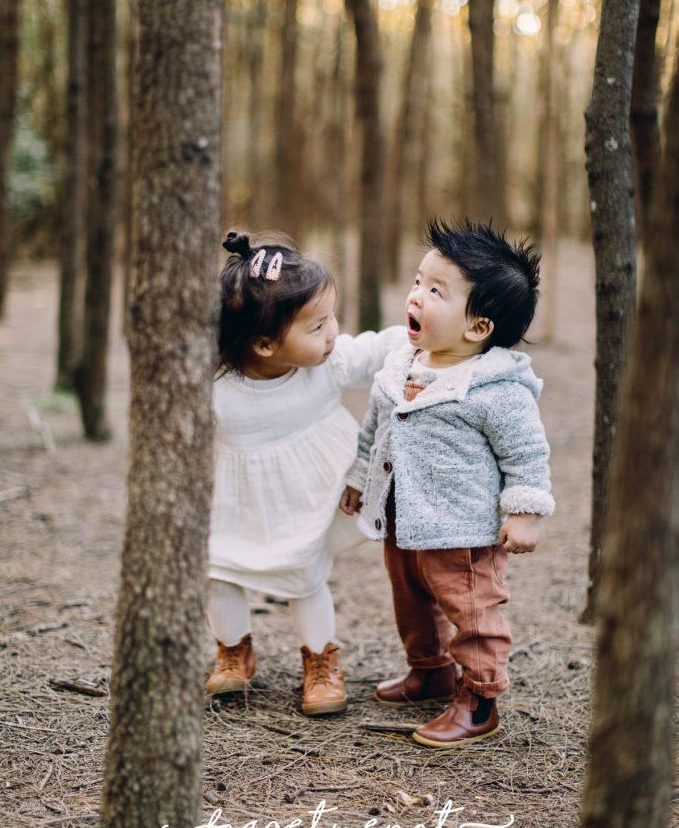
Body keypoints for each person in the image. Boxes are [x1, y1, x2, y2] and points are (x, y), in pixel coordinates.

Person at [340, 220, 554, 748]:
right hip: (403, 518)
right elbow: (376, 430)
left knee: (472, 611)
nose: (416, 295)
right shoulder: (400, 367)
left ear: (478, 327)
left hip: (463, 530)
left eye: (436, 291)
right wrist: (357, 478)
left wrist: (524, 511)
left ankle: (480, 699)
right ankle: (430, 670)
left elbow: (527, 454)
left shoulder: (496, 390)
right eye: (418, 281)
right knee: (411, 600)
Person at [207, 231, 405, 717]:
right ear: (263, 344)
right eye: (317, 326)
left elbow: (376, 349)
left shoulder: (328, 363)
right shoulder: (215, 387)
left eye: (331, 317)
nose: (333, 332)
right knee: (219, 568)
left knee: (304, 573)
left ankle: (320, 658)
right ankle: (234, 651)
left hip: (314, 492)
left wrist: (416, 339)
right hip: (237, 497)